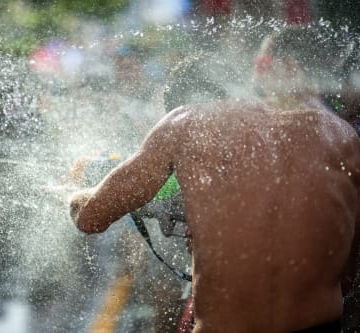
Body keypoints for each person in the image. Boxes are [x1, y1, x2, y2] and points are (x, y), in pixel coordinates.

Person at [70, 26, 360, 332]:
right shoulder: (344, 138)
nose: (255, 76)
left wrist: (74, 193)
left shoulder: (186, 122)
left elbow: (90, 217)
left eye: (261, 65)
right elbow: (348, 271)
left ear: (288, 67)